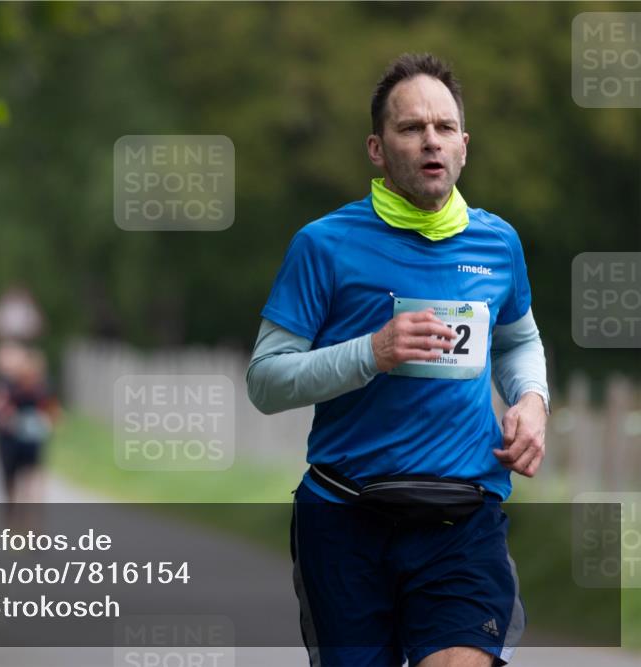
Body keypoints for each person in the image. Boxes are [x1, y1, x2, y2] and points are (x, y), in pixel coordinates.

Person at [247, 53, 549, 667]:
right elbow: (266, 380)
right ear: (378, 149)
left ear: (464, 146)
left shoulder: (498, 243)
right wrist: (372, 352)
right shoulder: (323, 246)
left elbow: (518, 340)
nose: (430, 141)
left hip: (463, 518)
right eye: (411, 128)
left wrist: (532, 401)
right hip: (346, 516)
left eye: (443, 128)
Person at [0, 343, 59, 519]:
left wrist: (47, 421)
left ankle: (32, 524)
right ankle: (12, 520)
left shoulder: (44, 389)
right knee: (10, 484)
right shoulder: (8, 387)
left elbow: (54, 412)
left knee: (33, 483)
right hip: (9, 442)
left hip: (33, 443)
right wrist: (8, 418)